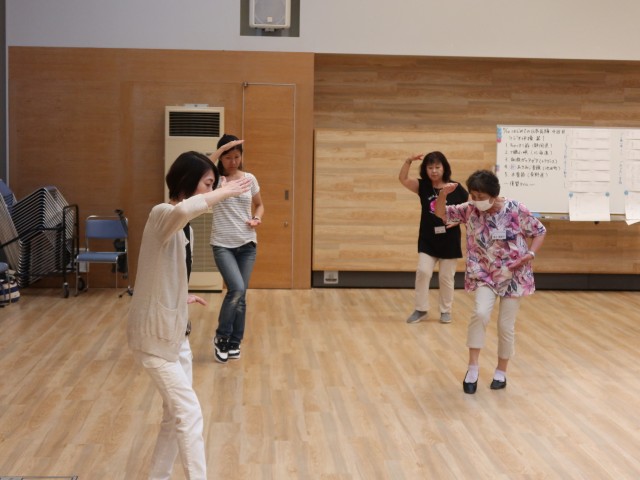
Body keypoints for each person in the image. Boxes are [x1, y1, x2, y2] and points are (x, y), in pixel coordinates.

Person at [127, 145, 251, 479]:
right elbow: (184, 209)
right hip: (154, 340)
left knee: (174, 416)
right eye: (207, 183)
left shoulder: (186, 229)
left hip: (176, 335)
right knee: (189, 412)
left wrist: (180, 295)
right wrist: (224, 191)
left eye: (213, 185)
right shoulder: (161, 214)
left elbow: (160, 271)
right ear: (187, 182)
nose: (212, 190)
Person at [435, 169, 546, 394]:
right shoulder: (470, 210)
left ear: (494, 195)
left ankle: (501, 371)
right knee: (480, 313)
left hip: (513, 276)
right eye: (473, 196)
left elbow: (539, 231)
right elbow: (441, 214)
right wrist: (443, 195)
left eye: (481, 196)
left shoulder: (515, 209)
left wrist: (530, 254)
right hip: (484, 274)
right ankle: (473, 368)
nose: (477, 201)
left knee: (505, 325)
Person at [209, 133, 264, 364]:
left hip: (247, 244)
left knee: (241, 295)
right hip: (223, 245)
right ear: (221, 158)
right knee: (237, 289)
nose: (233, 161)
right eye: (228, 157)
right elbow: (202, 167)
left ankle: (234, 341)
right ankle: (221, 337)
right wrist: (222, 149)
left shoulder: (249, 178)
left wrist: (256, 218)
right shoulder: (215, 180)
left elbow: (259, 205)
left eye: (237, 156)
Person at [399, 151, 468, 324]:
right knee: (423, 272)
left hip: (449, 240)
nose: (434, 171)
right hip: (428, 239)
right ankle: (421, 309)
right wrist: (408, 160)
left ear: (444, 168)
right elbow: (403, 179)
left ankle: (446, 311)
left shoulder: (456, 187)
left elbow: (469, 210)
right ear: (425, 169)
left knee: (446, 277)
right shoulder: (422, 186)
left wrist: (458, 220)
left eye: (437, 167)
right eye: (430, 167)